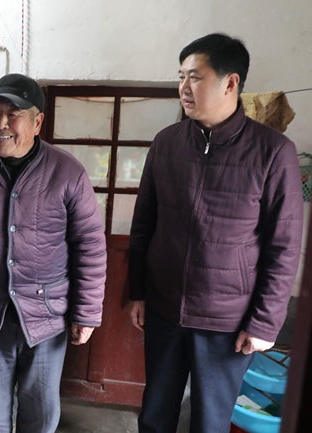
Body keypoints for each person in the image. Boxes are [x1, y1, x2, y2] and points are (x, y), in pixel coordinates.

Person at [128, 33, 303, 433]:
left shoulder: (273, 152)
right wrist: (137, 291)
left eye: (195, 77)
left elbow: (284, 246)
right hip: (164, 308)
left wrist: (265, 322)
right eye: (181, 77)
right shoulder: (167, 143)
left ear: (230, 83)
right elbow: (144, 225)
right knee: (154, 414)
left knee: (210, 422)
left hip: (228, 319)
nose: (184, 88)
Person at [0, 73, 107, 433]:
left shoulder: (67, 173)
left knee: (40, 416)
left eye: (13, 115)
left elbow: (89, 245)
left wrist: (87, 312)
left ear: (37, 122)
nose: (2, 124)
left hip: (46, 318)